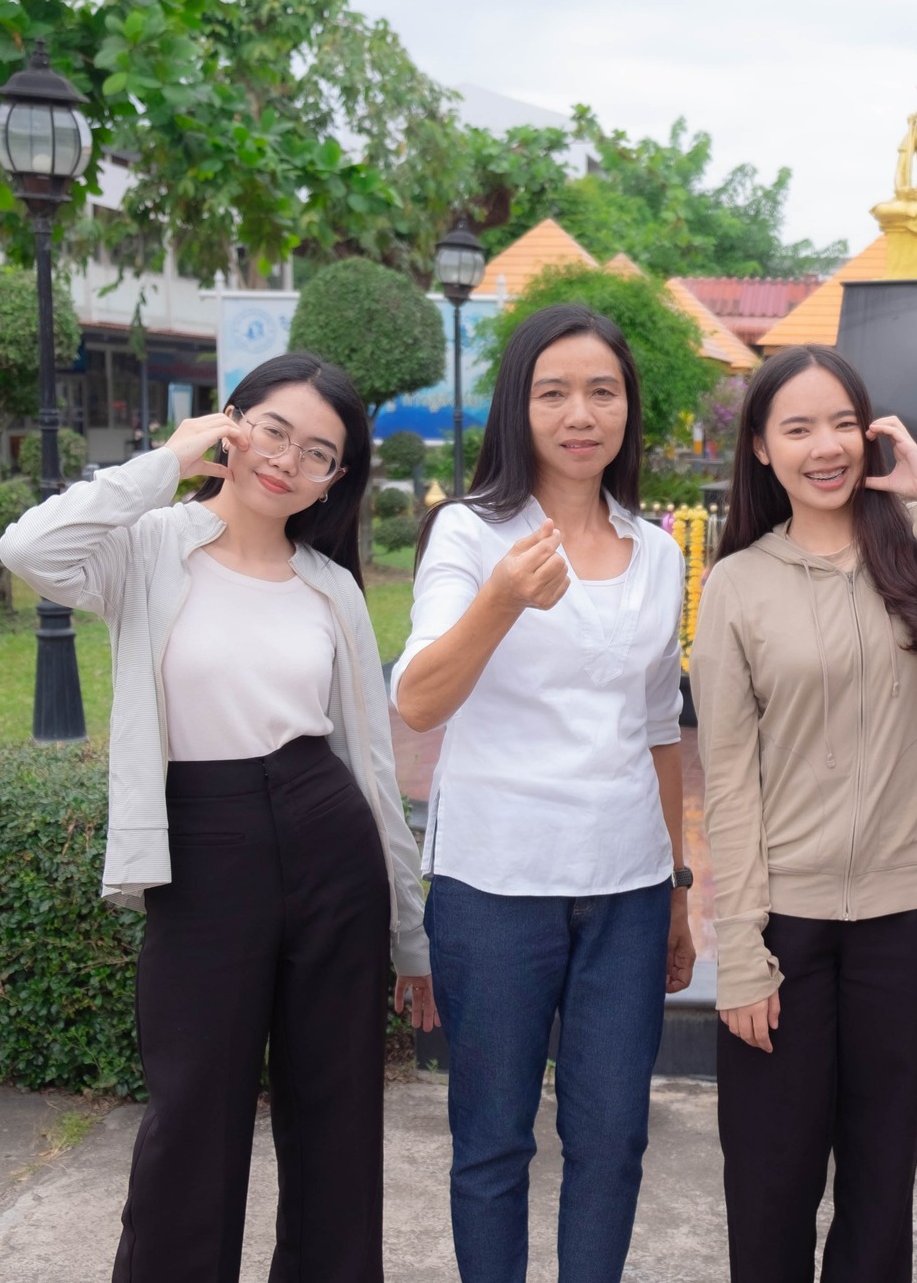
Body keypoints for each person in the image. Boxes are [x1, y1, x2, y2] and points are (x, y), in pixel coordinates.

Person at [0, 353, 435, 1282]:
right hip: (203, 844)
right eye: (273, 430)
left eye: (319, 452)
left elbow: (368, 760)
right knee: (193, 1115)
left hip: (329, 837)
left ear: (336, 478)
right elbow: (28, 550)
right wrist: (172, 457)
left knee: (337, 1120)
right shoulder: (149, 546)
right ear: (233, 423)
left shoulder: (331, 586)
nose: (287, 461)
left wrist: (411, 935)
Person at [690, 344, 917, 1282]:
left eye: (842, 422)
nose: (824, 446)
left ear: (869, 431)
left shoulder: (915, 555)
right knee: (769, 1183)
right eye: (797, 428)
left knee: (881, 1185)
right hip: (785, 925)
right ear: (761, 448)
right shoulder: (739, 584)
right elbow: (730, 779)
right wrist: (741, 951)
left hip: (907, 922)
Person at [391, 305, 695, 1283]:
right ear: (516, 410)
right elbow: (418, 697)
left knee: (612, 1141)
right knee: (492, 1141)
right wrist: (500, 600)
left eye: (601, 391)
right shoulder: (470, 535)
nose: (579, 414)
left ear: (626, 410)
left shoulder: (656, 552)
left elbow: (657, 729)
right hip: (493, 886)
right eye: (553, 391)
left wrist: (679, 890)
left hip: (627, 888)